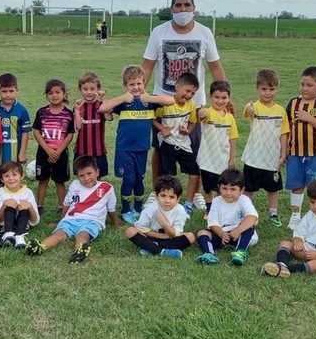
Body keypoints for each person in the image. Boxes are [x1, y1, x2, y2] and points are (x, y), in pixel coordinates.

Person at [141, 0, 226, 186]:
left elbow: (215, 67)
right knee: (161, 149)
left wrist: (224, 96)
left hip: (194, 105)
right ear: (171, 8)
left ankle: (195, 193)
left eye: (187, 5)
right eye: (178, 5)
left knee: (195, 148)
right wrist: (138, 94)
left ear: (194, 8)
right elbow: (147, 65)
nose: (183, 9)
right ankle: (158, 188)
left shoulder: (204, 33)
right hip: (163, 103)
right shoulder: (159, 32)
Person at [99, 65, 174, 224]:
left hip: (142, 148)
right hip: (124, 149)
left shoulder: (149, 101)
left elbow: (170, 100)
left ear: (144, 83)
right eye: (131, 84)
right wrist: (122, 98)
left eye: (139, 83)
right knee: (129, 179)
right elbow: (103, 108)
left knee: (139, 179)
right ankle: (126, 209)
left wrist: (151, 98)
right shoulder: (125, 102)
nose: (136, 87)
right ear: (125, 86)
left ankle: (138, 209)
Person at [26, 155, 119, 264]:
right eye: (82, 176)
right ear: (77, 177)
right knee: (58, 234)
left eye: (89, 173)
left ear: (97, 172)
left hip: (92, 221)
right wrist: (61, 220)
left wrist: (116, 225)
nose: (86, 178)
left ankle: (79, 251)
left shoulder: (106, 188)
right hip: (70, 219)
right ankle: (40, 247)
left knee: (83, 234)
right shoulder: (74, 185)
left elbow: (111, 209)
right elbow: (66, 204)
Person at [261, 180, 316, 278]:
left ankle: (289, 270)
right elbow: (299, 232)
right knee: (285, 243)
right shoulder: (310, 214)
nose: (315, 206)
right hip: (307, 251)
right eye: (312, 202)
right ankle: (281, 265)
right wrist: (298, 241)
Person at [285, 66, 316, 231]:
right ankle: (296, 215)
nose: (305, 88)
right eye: (302, 84)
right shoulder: (293, 103)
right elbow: (286, 127)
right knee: (297, 185)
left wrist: (309, 118)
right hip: (295, 153)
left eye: (310, 85)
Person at [240, 69, 289, 227]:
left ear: (277, 88)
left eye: (272, 89)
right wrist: (250, 110)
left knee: (273, 189)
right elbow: (248, 113)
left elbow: (284, 133)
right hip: (253, 158)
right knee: (249, 188)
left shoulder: (281, 111)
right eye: (264, 89)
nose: (268, 93)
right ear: (257, 88)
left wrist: (283, 154)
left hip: (272, 159)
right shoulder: (253, 106)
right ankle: (247, 213)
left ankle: (273, 213)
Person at [153, 72, 200, 216]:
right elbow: (152, 118)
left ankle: (188, 204)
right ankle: (168, 202)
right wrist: (163, 128)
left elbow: (193, 121)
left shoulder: (191, 105)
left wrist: (188, 131)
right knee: (168, 177)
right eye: (187, 91)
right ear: (177, 87)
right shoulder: (166, 103)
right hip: (168, 144)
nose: (189, 95)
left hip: (185, 145)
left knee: (194, 174)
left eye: (193, 93)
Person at [194, 168, 259, 266]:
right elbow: (213, 223)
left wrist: (237, 231)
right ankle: (209, 254)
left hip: (240, 234)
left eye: (233, 189)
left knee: (248, 226)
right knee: (201, 233)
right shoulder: (216, 201)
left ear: (241, 190)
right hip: (223, 235)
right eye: (224, 188)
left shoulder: (243, 200)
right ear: (219, 188)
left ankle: (240, 252)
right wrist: (221, 234)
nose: (228, 193)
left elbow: (252, 217)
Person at [32, 79, 75, 217]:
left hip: (60, 153)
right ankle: (39, 205)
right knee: (43, 179)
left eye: (58, 92)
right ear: (46, 95)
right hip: (44, 152)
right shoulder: (42, 112)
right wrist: (48, 150)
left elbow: (70, 135)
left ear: (64, 94)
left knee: (59, 180)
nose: (54, 95)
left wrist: (58, 151)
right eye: (50, 93)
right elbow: (36, 132)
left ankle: (62, 206)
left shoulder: (68, 114)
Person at [124, 175, 195, 258]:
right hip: (150, 237)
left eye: (171, 197)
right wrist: (163, 236)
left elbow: (175, 234)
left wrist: (164, 224)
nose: (167, 201)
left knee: (191, 236)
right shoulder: (150, 209)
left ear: (178, 199)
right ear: (157, 196)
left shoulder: (180, 210)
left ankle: (150, 247)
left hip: (170, 238)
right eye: (163, 196)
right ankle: (162, 251)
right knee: (130, 231)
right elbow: (140, 227)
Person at [196, 80, 239, 216]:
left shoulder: (230, 118)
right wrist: (201, 113)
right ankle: (209, 209)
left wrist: (232, 158)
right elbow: (202, 116)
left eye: (224, 98)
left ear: (229, 98)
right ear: (210, 97)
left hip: (223, 159)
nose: (220, 101)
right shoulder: (208, 113)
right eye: (217, 97)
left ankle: (221, 209)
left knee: (222, 186)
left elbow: (232, 139)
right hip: (207, 159)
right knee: (208, 187)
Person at [0, 73, 32, 173]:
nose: (8, 95)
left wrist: (22, 152)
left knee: (13, 177)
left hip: (15, 154)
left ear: (17, 91)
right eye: (4, 91)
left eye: (11, 91)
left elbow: (26, 132)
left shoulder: (22, 110)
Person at [0, 160, 39, 249]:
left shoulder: (28, 192)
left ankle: (20, 235)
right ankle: (8, 233)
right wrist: (4, 205)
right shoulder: (0, 192)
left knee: (24, 206)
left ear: (21, 176)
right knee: (10, 204)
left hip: (23, 221)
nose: (11, 179)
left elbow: (35, 220)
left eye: (14, 175)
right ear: (2, 179)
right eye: (6, 176)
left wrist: (29, 207)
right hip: (6, 222)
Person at [73, 72, 111, 177]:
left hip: (98, 150)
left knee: (98, 176)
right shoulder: (79, 106)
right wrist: (76, 110)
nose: (89, 92)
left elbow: (109, 117)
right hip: (81, 150)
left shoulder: (101, 106)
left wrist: (104, 101)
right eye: (85, 89)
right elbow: (78, 126)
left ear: (98, 89)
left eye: (92, 89)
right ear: (80, 89)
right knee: (82, 175)